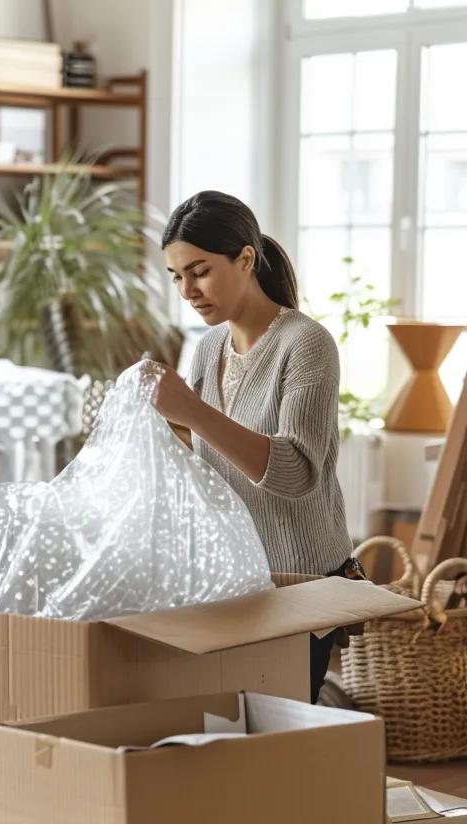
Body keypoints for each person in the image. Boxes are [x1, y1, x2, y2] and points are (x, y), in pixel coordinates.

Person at [151, 190, 362, 703]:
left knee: (279, 734)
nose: (187, 290)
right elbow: (208, 466)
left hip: (302, 583)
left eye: (199, 271)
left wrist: (193, 412)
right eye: (177, 276)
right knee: (235, 729)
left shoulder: (305, 343)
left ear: (246, 259)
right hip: (237, 578)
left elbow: (295, 473)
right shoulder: (208, 348)